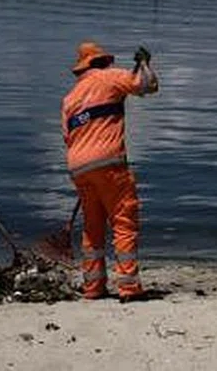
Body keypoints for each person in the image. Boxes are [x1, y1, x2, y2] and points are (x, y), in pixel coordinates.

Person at [61, 42, 159, 302]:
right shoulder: (110, 77)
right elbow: (148, 85)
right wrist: (144, 64)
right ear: (103, 62)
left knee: (92, 227)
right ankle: (129, 287)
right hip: (108, 161)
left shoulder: (70, 99)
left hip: (78, 166)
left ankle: (93, 287)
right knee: (124, 221)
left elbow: (67, 137)